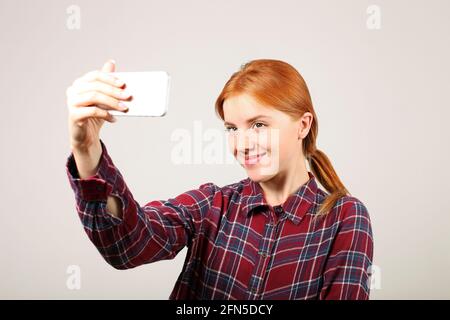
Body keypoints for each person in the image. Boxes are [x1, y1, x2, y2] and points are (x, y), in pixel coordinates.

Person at [65, 58, 373, 300]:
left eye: (259, 124)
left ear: (302, 125)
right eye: (232, 129)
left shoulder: (345, 218)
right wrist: (86, 149)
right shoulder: (213, 204)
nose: (243, 144)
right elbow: (128, 244)